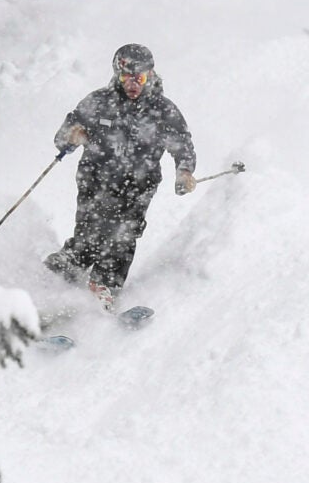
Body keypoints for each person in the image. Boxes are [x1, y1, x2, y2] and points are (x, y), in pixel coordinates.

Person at [45, 45, 199, 303]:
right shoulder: (98, 102)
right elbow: (64, 135)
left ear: (150, 75)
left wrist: (184, 172)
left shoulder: (162, 110)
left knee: (123, 234)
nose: (133, 85)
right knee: (89, 232)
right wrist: (71, 136)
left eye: (139, 78)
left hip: (138, 185)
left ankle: (105, 286)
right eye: (126, 78)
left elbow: (182, 144)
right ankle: (64, 273)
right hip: (95, 179)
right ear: (117, 75)